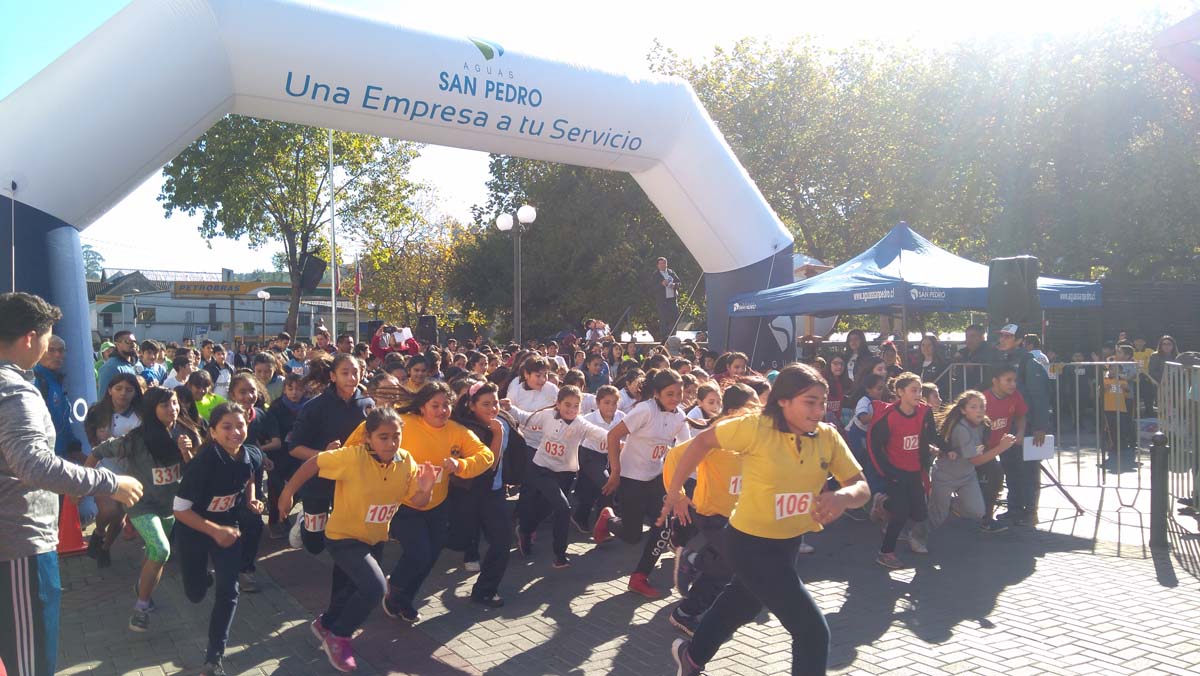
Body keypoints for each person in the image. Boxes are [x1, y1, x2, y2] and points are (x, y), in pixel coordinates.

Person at [662, 363, 869, 676]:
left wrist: (843, 497)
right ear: (783, 401)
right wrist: (675, 491)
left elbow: (861, 485)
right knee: (812, 631)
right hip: (748, 543)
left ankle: (690, 658)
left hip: (788, 543)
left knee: (740, 605)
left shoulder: (827, 437)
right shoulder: (755, 427)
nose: (818, 410)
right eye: (809, 402)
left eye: (822, 402)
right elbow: (702, 442)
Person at [0, 292, 144, 676]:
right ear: (31, 337)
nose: (51, 347)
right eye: (48, 339)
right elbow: (32, 463)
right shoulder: (13, 390)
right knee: (30, 663)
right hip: (18, 547)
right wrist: (107, 482)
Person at [277, 408, 437, 672]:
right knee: (374, 588)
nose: (391, 443)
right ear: (368, 438)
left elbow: (419, 502)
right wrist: (288, 492)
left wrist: (426, 488)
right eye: (383, 437)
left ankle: (326, 623)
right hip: (343, 537)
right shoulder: (352, 457)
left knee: (349, 591)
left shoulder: (406, 461)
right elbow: (314, 463)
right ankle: (339, 636)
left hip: (374, 539)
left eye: (396, 436)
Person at [377, 382, 496, 623]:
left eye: (446, 405)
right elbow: (365, 434)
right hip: (403, 503)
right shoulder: (404, 423)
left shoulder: (456, 431)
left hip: (437, 504)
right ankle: (394, 586)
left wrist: (460, 465)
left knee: (431, 554)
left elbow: (486, 455)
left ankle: (405, 599)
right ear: (422, 407)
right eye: (435, 405)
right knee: (419, 553)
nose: (442, 410)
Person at [86, 387, 199, 632]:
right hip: (141, 504)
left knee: (154, 555)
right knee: (161, 549)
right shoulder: (136, 438)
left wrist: (187, 451)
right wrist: (84, 485)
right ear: (151, 409)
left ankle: (142, 588)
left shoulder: (185, 432)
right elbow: (97, 452)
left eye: (175, 403)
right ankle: (141, 607)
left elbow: (195, 471)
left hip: (170, 506)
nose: (173, 409)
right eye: (165, 405)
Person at [173, 402, 264, 676]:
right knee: (196, 593)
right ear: (212, 432)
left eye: (240, 426)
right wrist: (213, 530)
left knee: (229, 590)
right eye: (227, 427)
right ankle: (202, 577)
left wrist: (252, 499)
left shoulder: (252, 455)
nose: (235, 432)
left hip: (228, 528)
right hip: (193, 531)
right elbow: (179, 510)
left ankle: (214, 657)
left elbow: (249, 476)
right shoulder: (203, 463)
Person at [662, 382, 759, 637]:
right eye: (753, 407)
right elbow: (673, 458)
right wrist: (679, 496)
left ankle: (692, 574)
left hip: (738, 516)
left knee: (727, 568)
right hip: (711, 513)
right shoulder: (717, 435)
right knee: (734, 561)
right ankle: (691, 577)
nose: (759, 411)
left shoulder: (754, 437)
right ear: (735, 411)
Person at [595, 369, 694, 598]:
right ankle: (607, 519)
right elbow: (613, 436)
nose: (676, 398)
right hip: (631, 479)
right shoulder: (644, 410)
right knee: (632, 536)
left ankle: (639, 577)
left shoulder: (679, 415)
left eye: (679, 393)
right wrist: (615, 472)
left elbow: (686, 449)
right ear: (657, 394)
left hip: (657, 478)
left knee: (664, 527)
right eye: (670, 394)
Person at [510, 386, 610, 568]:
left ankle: (525, 530)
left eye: (576, 406)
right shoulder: (547, 415)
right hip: (541, 469)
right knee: (564, 508)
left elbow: (602, 435)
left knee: (547, 508)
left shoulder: (581, 424)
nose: (571, 410)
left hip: (565, 474)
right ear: (558, 404)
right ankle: (560, 555)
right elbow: (525, 418)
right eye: (567, 405)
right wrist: (508, 408)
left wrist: (622, 443)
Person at [909, 390, 1015, 553]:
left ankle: (952, 505)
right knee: (937, 517)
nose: (980, 410)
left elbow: (981, 452)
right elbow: (975, 460)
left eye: (982, 406)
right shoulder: (961, 429)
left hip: (967, 476)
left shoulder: (984, 425)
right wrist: (1002, 447)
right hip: (945, 476)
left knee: (977, 511)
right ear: (963, 410)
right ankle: (916, 537)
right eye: (974, 407)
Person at [288, 353, 371, 554]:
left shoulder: (368, 404)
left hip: (351, 481)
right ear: (333, 376)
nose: (352, 378)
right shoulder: (314, 407)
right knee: (315, 544)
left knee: (348, 536)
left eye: (355, 372)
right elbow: (294, 448)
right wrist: (324, 455)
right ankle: (303, 523)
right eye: (345, 373)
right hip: (319, 481)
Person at [448, 381, 519, 607]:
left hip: (494, 492)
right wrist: (497, 436)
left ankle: (485, 589)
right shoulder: (467, 429)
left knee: (502, 540)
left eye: (495, 403)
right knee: (455, 540)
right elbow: (490, 465)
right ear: (471, 406)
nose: (492, 409)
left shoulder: (502, 421)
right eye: (486, 404)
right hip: (470, 493)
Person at [867, 373, 937, 567]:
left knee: (919, 514)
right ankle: (885, 552)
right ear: (900, 392)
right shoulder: (889, 416)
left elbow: (931, 435)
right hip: (896, 472)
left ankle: (883, 504)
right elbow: (875, 445)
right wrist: (887, 471)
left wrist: (937, 448)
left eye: (920, 390)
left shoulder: (924, 412)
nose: (918, 394)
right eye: (914, 390)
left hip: (916, 470)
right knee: (901, 514)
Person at [993, 324, 1050, 526]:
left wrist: (1040, 426)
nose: (1002, 339)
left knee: (1029, 470)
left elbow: (1039, 396)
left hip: (1030, 427)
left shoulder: (1029, 363)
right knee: (1010, 467)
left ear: (1019, 341)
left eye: (1007, 336)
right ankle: (1015, 508)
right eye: (1001, 335)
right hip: (1007, 427)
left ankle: (1030, 511)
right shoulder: (1002, 360)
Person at [571, 385, 625, 533]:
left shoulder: (622, 418)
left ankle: (592, 520)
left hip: (611, 456)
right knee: (607, 483)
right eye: (606, 402)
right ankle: (600, 523)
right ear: (598, 403)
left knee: (593, 490)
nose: (611, 407)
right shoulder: (589, 419)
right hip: (590, 455)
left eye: (614, 402)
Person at [981, 364, 1027, 530]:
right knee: (993, 477)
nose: (1013, 384)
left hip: (1003, 445)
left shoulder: (1015, 396)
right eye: (1008, 380)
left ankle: (1013, 510)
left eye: (1015, 380)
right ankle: (985, 518)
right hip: (984, 448)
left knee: (1011, 473)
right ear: (995, 381)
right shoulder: (983, 400)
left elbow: (1021, 415)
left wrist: (1020, 432)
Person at [32, 336, 83, 463]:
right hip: (44, 459)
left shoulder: (55, 379)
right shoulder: (34, 380)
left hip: (60, 457)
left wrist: (74, 447)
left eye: (61, 350)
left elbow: (63, 420)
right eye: (51, 350)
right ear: (40, 350)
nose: (57, 354)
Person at [953, 324, 997, 393]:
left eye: (973, 336)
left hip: (982, 391)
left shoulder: (989, 350)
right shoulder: (963, 352)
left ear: (982, 337)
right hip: (963, 391)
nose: (969, 339)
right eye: (967, 336)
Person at [650, 257, 683, 340]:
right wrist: (661, 284)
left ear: (667, 264)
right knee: (664, 318)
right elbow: (652, 288)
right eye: (661, 263)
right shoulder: (655, 275)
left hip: (672, 299)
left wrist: (674, 285)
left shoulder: (671, 272)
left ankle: (673, 336)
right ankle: (664, 337)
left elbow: (679, 283)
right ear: (657, 265)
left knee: (675, 316)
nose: (663, 265)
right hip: (662, 301)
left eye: (664, 263)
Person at [914, 334, 948, 399]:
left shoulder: (941, 365)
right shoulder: (917, 365)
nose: (925, 348)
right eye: (923, 345)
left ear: (934, 347)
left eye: (929, 345)